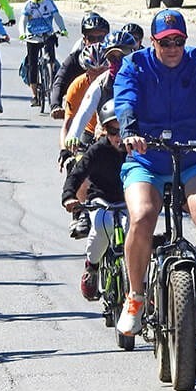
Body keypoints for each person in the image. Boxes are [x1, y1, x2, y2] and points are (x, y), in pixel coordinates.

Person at [113, 9, 196, 335]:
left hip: (191, 156)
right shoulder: (135, 65)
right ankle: (136, 297)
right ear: (153, 41)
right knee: (142, 215)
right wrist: (130, 130)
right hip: (146, 158)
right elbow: (125, 98)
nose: (172, 48)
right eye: (165, 42)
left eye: (178, 41)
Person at [62, 99, 128, 301]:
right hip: (101, 200)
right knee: (101, 225)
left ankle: (140, 288)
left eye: (123, 131)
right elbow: (77, 174)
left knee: (133, 230)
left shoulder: (137, 150)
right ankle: (92, 268)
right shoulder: (97, 150)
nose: (118, 137)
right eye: (113, 132)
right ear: (105, 131)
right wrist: (69, 196)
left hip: (128, 201)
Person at [59, 43, 109, 239]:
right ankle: (81, 213)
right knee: (77, 166)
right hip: (87, 134)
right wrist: (64, 150)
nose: (97, 76)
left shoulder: (116, 81)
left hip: (113, 133)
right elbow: (68, 125)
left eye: (102, 70)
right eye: (92, 71)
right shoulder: (77, 86)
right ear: (85, 70)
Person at [49, 11, 109, 119]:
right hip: (81, 103)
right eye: (91, 38)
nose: (96, 42)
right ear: (85, 39)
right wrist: (55, 105)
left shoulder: (114, 57)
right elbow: (60, 81)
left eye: (100, 38)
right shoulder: (75, 57)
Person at [18, 0, 68, 107]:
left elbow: (57, 16)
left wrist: (62, 29)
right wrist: (22, 33)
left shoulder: (48, 2)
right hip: (32, 36)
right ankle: (35, 95)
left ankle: (51, 79)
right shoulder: (28, 4)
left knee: (51, 57)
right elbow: (23, 20)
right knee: (33, 65)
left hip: (47, 34)